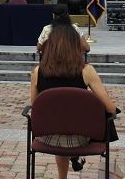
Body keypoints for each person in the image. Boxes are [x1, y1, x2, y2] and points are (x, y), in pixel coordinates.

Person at [30, 24, 116, 178]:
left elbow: (35, 107)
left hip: (47, 136)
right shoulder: (87, 71)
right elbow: (110, 108)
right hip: (80, 136)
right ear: (76, 47)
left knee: (60, 125)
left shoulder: (38, 72)